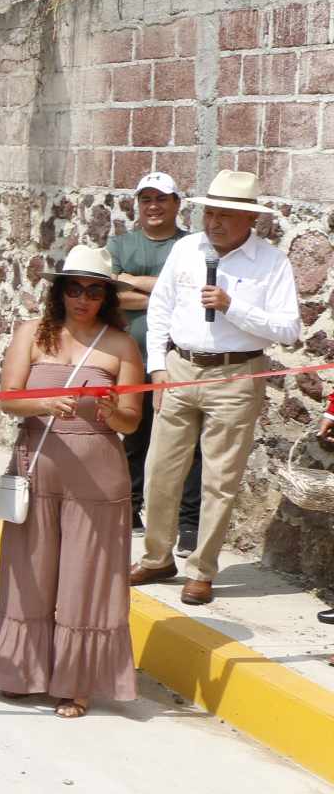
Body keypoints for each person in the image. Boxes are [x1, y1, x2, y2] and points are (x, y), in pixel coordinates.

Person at [0, 246, 143, 717]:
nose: (84, 298)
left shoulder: (120, 345)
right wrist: (45, 405)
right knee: (27, 572)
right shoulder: (32, 334)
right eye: (75, 288)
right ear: (60, 291)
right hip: (37, 468)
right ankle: (20, 669)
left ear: (107, 297)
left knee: (86, 579)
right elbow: (9, 399)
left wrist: (114, 412)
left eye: (95, 290)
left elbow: (133, 421)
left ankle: (77, 682)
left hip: (97, 478)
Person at [131, 171, 301, 606]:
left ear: (250, 218)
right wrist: (156, 369)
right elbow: (161, 309)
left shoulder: (271, 262)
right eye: (210, 212)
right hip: (181, 368)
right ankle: (156, 557)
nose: (214, 222)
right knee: (159, 472)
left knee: (219, 480)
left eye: (226, 214)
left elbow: (288, 328)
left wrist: (234, 306)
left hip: (237, 376)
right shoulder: (187, 249)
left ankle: (202, 570)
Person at [110, 172, 199, 549]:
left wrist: (135, 281)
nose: (153, 206)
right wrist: (167, 293)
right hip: (132, 357)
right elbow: (112, 297)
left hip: (178, 361)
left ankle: (188, 521)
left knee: (186, 444)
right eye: (146, 199)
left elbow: (191, 297)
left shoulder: (192, 245)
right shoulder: (120, 244)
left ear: (177, 204)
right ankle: (131, 508)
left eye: (161, 199)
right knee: (133, 434)